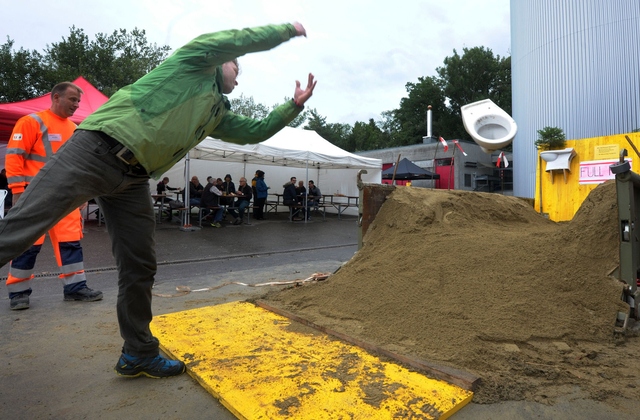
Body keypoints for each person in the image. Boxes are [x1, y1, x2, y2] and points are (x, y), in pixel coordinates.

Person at [0, 22, 316, 378]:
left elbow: (253, 132)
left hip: (134, 180)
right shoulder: (194, 62)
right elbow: (234, 41)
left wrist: (293, 106)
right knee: (21, 229)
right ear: (221, 62)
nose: (237, 79)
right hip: (97, 149)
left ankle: (137, 353)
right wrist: (287, 30)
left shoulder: (217, 112)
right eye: (236, 69)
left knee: (140, 265)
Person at [3, 82, 103, 310]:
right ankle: (18, 293)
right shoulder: (31, 122)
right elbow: (14, 157)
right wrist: (18, 192)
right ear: (56, 97)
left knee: (70, 243)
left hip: (66, 197)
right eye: (72, 100)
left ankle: (75, 288)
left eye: (78, 101)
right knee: (27, 244)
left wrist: (82, 194)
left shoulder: (75, 129)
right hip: (35, 196)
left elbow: (79, 166)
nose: (76, 105)